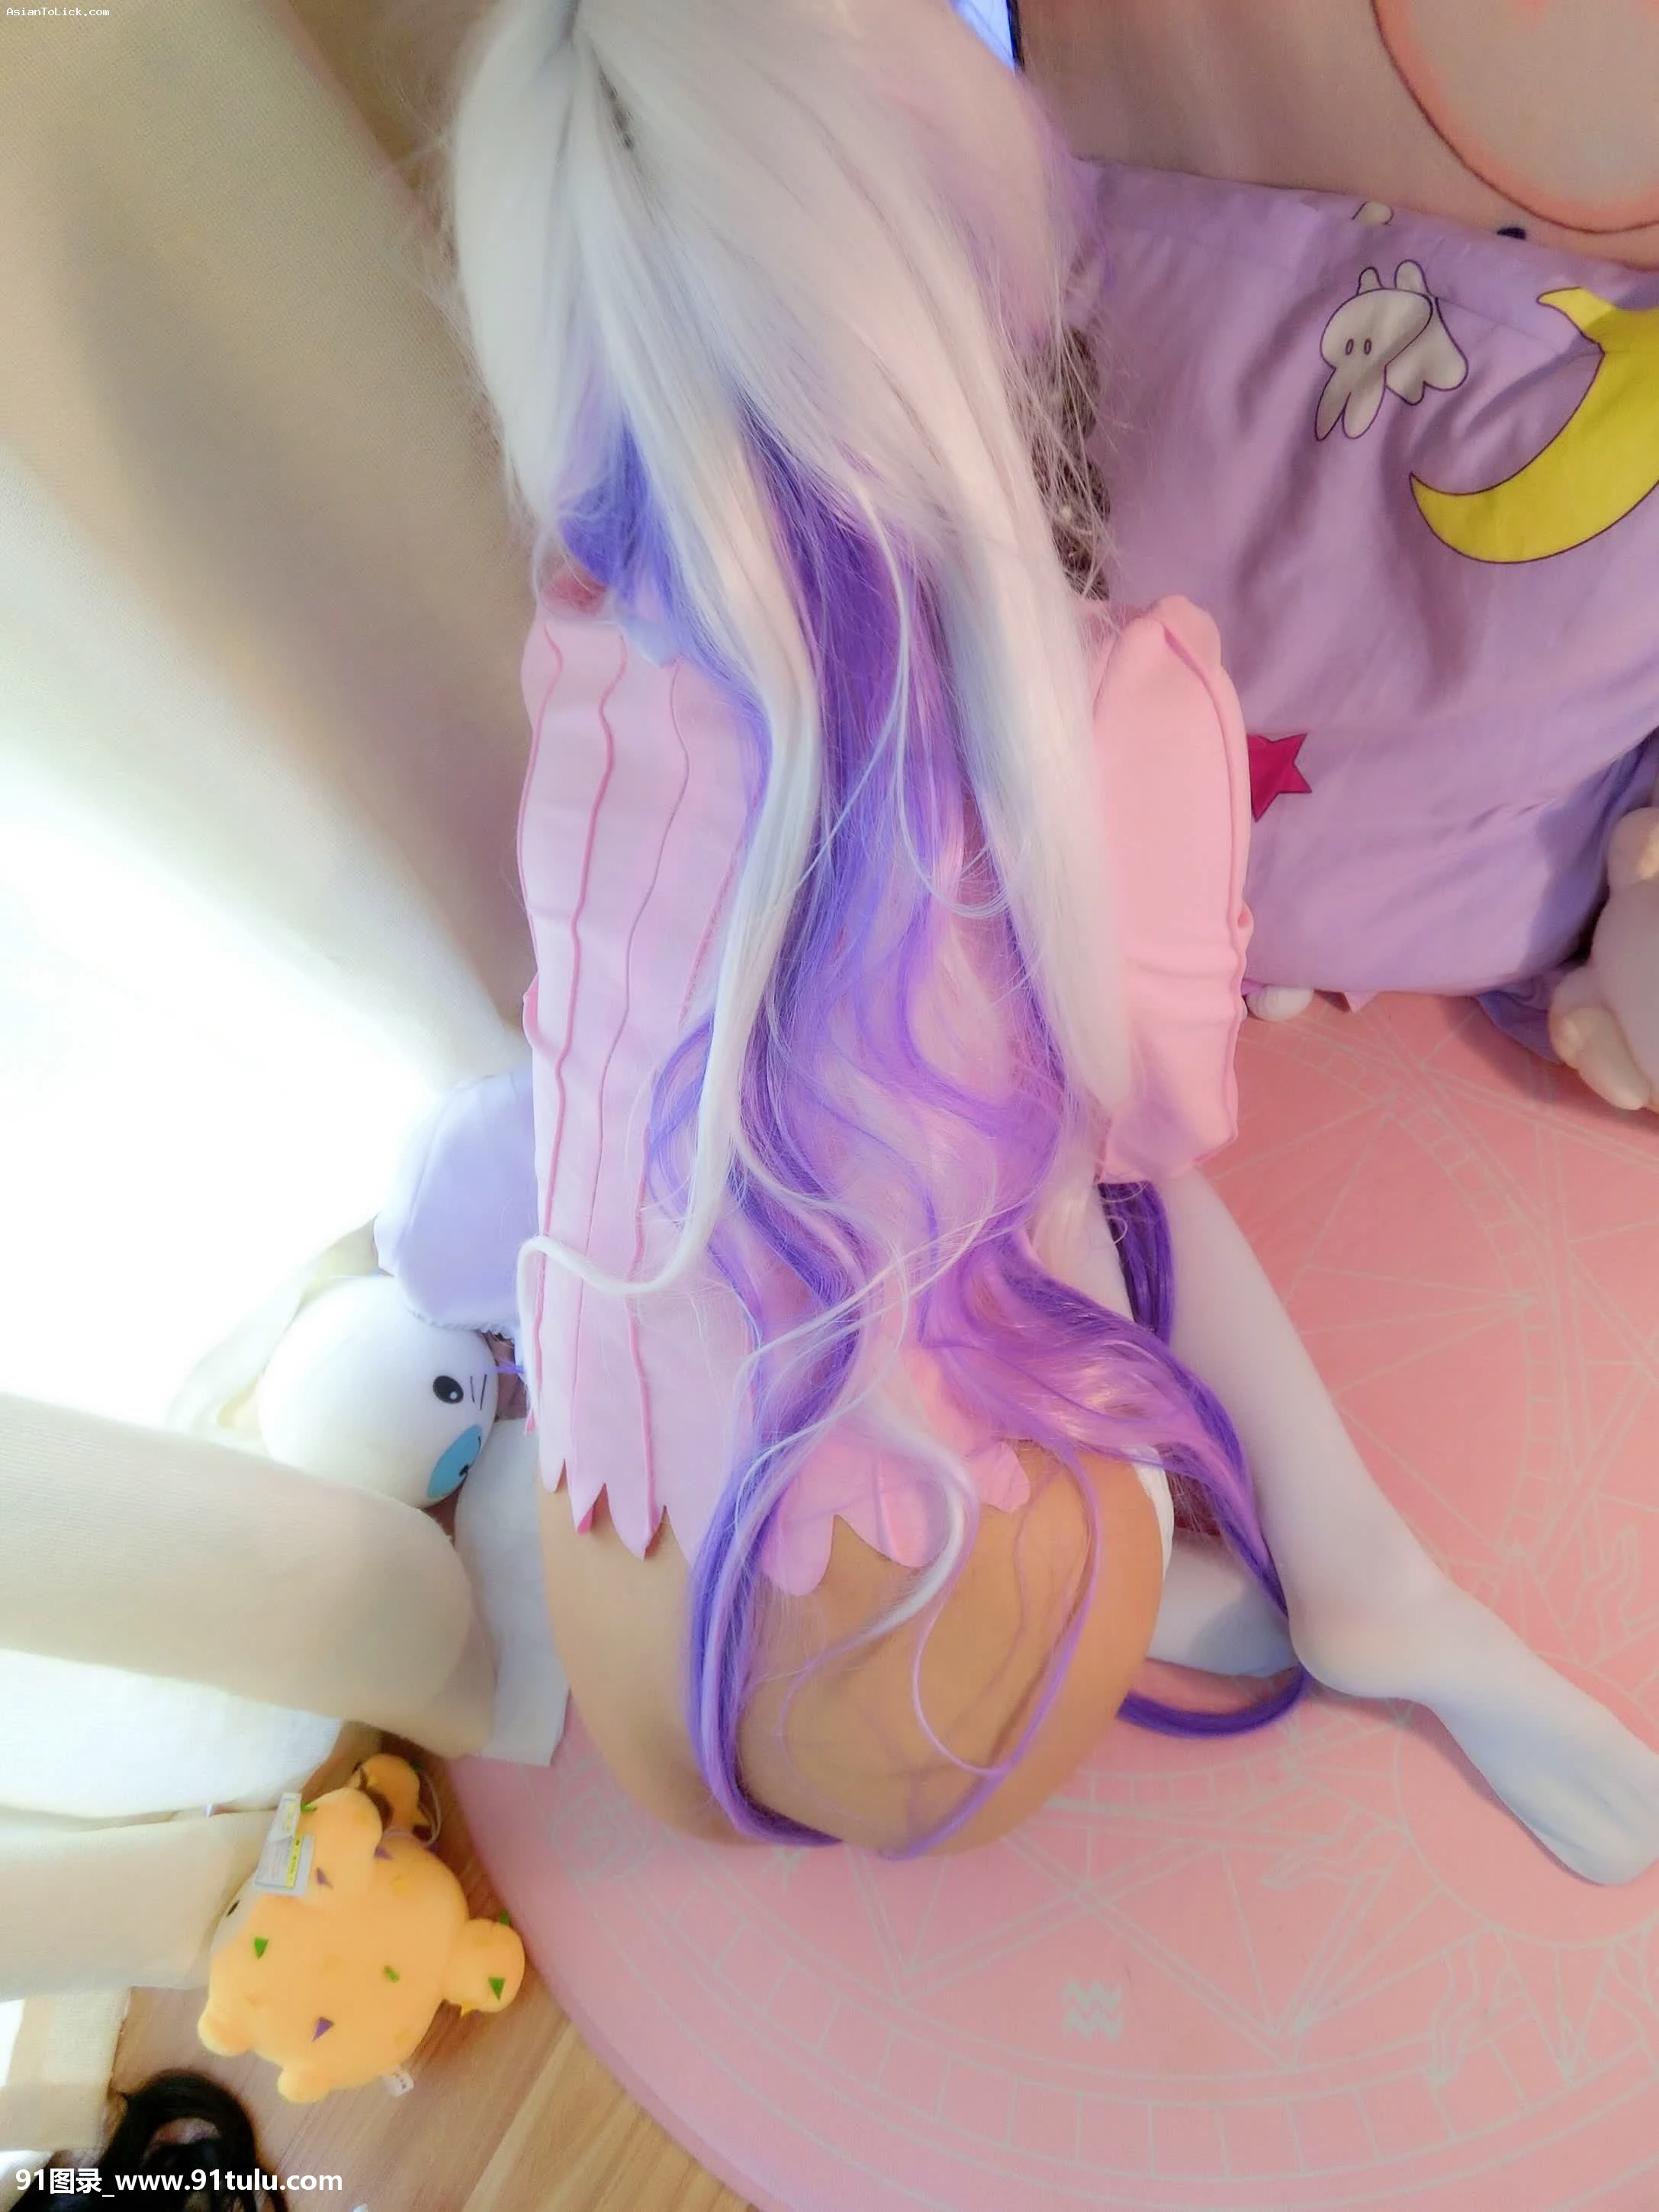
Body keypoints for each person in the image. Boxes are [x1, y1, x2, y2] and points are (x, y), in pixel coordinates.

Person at [443, 0, 1659, 1882]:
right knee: (1089, 1177)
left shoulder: (578, 653)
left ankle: (1298, 1577)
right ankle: (1364, 1572)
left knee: (765, 1143)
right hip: (987, 1638)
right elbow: (1157, 1119)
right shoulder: (1111, 703)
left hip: (627, 1654)